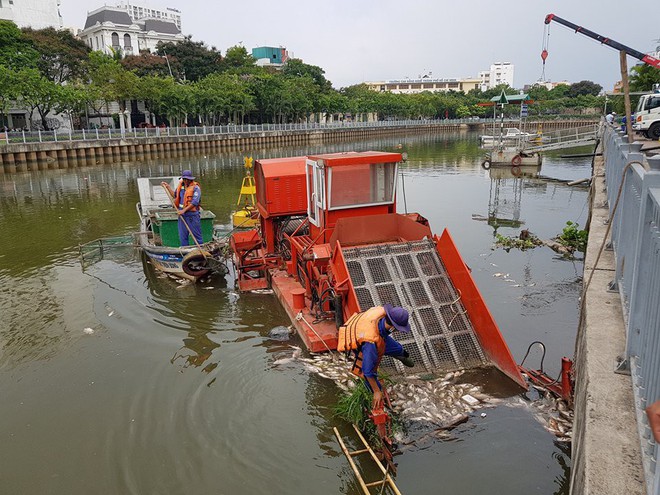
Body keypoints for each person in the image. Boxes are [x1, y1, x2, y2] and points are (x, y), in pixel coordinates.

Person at [338, 304, 414, 409]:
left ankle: (402, 356)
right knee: (371, 378)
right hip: (362, 341)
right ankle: (374, 398)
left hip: (379, 332)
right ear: (392, 327)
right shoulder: (371, 344)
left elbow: (383, 334)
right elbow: (367, 371)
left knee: (397, 348)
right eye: (398, 329)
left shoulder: (382, 316)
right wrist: (377, 392)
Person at [161, 170, 203, 246]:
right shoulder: (181, 187)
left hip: (192, 216)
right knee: (183, 237)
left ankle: (199, 250)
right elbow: (175, 195)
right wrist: (167, 187)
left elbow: (195, 202)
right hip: (182, 216)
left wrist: (184, 210)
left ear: (190, 179)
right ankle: (185, 251)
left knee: (197, 236)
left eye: (187, 179)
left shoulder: (196, 188)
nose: (185, 181)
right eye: (184, 179)